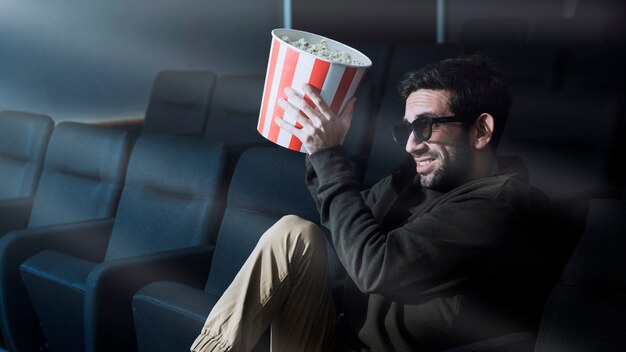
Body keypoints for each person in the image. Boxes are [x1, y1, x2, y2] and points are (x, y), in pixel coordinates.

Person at [191, 54, 548, 352]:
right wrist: (319, 149)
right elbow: (343, 223)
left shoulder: (499, 207)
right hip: (339, 340)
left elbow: (374, 268)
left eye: (425, 127)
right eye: (406, 129)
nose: (410, 145)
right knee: (293, 233)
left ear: (481, 131)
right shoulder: (421, 178)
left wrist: (328, 153)